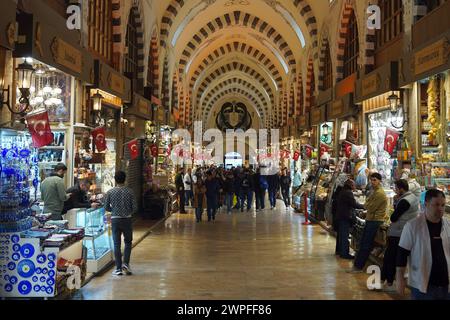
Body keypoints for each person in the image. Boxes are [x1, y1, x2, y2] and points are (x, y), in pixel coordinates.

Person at [396, 189, 450, 300]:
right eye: (436, 204)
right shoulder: (412, 226)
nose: (440, 208)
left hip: (446, 285)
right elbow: (402, 255)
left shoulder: (448, 225)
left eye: (443, 205)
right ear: (426, 204)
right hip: (422, 287)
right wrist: (400, 279)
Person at [380, 179, 419, 291]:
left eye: (396, 188)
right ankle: (387, 281)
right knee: (392, 257)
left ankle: (389, 283)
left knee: (391, 258)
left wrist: (395, 204)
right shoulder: (412, 198)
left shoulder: (405, 201)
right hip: (403, 232)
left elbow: (393, 217)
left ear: (401, 189)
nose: (395, 191)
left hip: (398, 232)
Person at [348, 173, 387, 273]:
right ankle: (358, 265)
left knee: (365, 244)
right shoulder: (374, 192)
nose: (372, 182)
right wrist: (367, 205)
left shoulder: (379, 193)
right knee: (364, 243)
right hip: (371, 219)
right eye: (371, 180)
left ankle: (358, 267)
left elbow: (370, 206)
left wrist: (367, 206)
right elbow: (367, 204)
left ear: (379, 181)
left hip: (375, 221)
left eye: (374, 180)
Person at [104, 171, 138, 276]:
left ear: (115, 179)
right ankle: (126, 264)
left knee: (116, 244)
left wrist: (114, 211)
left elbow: (106, 207)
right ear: (125, 179)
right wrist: (128, 212)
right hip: (127, 219)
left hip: (115, 220)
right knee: (128, 242)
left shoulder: (110, 192)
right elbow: (135, 207)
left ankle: (118, 268)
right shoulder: (130, 192)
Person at [335, 179, 365, 259]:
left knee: (341, 235)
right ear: (350, 185)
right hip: (345, 216)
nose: (355, 186)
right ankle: (344, 253)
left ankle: (340, 251)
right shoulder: (348, 192)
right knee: (344, 235)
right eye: (353, 185)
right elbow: (354, 204)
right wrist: (364, 206)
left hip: (341, 216)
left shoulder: (343, 191)